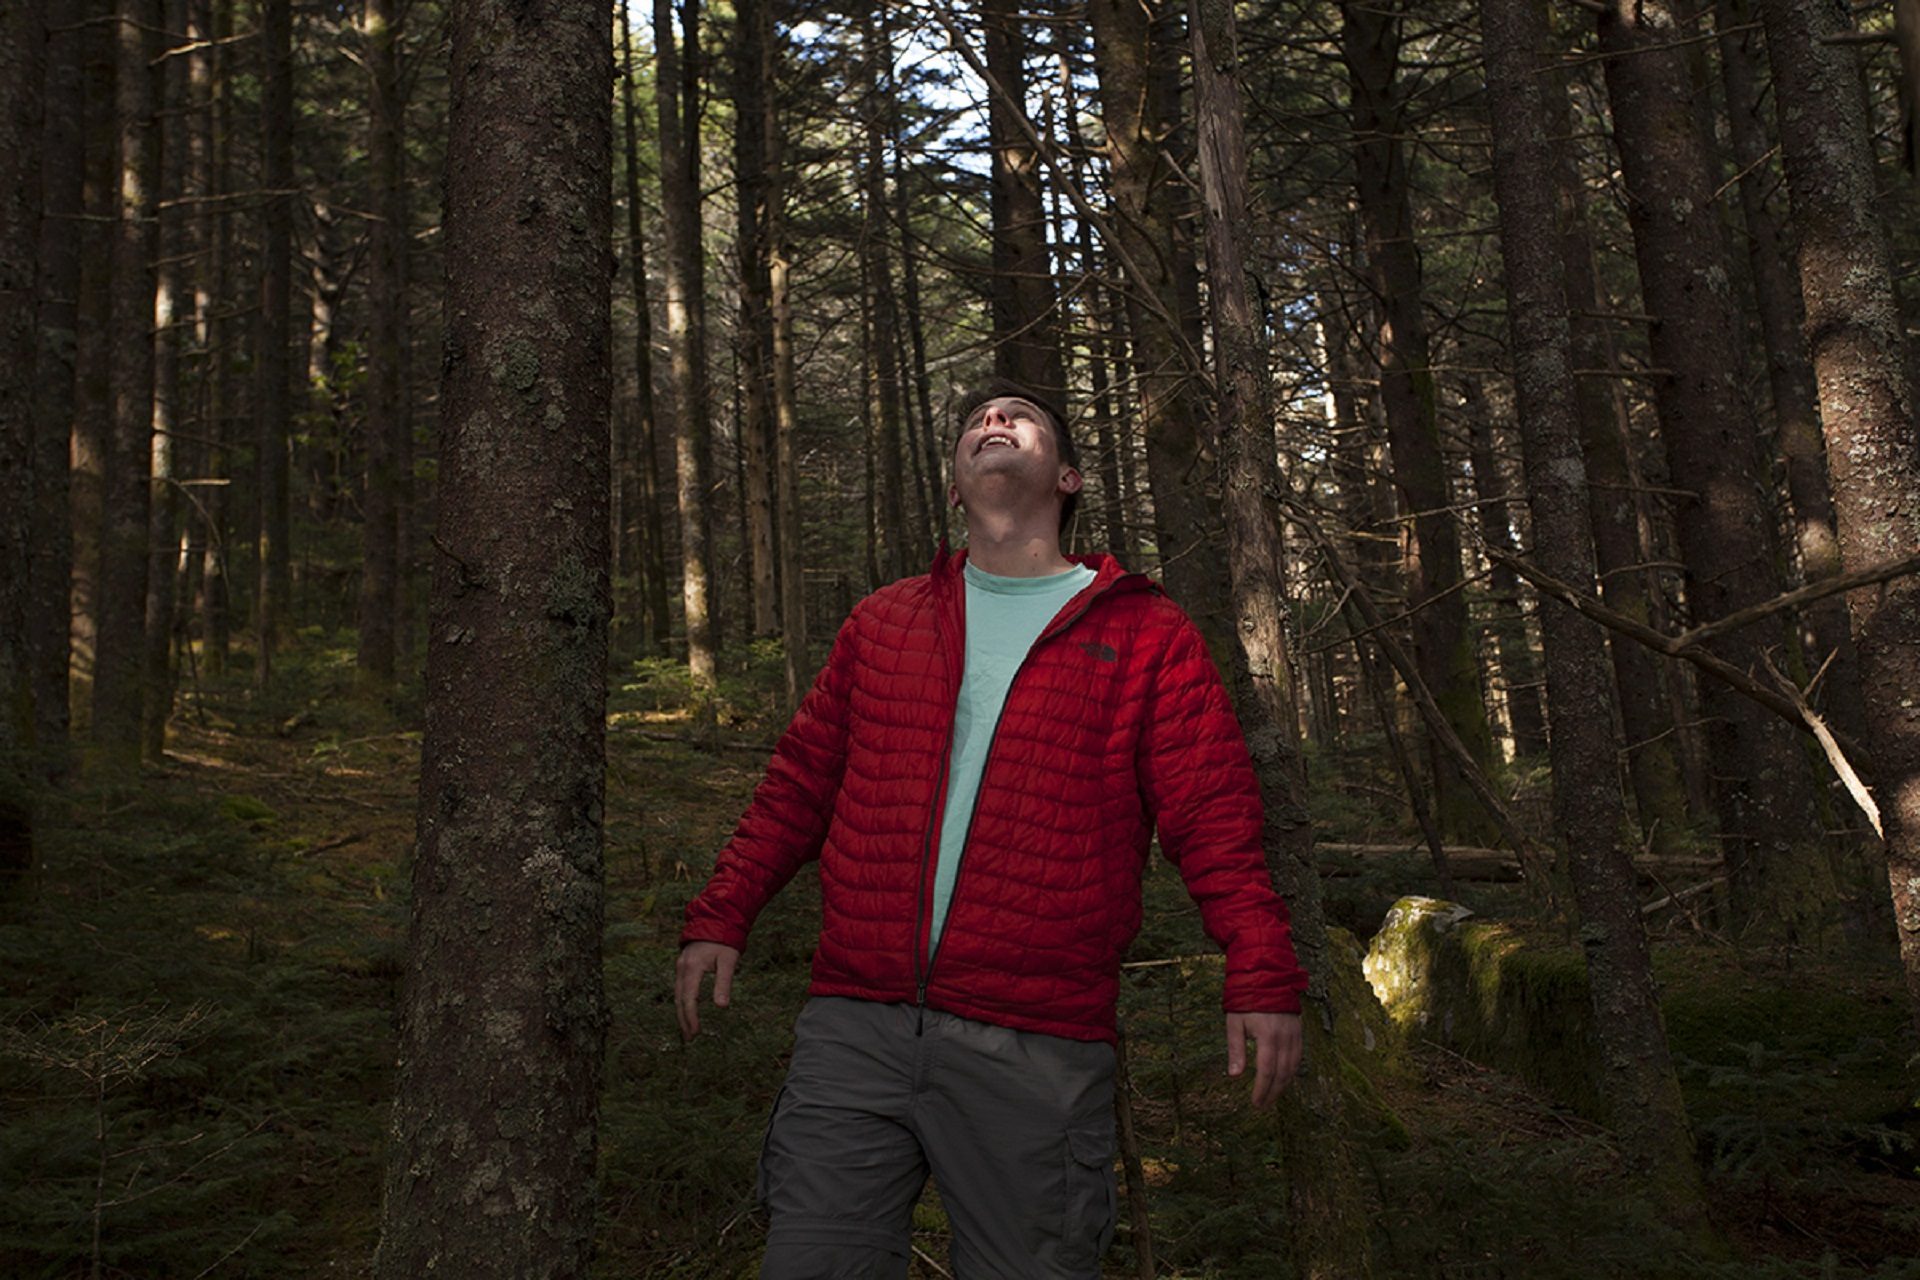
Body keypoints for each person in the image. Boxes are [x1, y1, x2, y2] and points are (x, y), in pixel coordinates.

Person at [675, 380, 1307, 1279]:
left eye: (1020, 418)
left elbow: (1215, 817)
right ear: (954, 483)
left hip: (1035, 1043)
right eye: (977, 420)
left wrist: (1260, 972)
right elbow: (798, 788)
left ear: (1071, 479)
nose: (993, 423)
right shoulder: (884, 623)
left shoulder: (1144, 634)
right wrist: (721, 912)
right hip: (855, 1031)